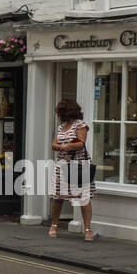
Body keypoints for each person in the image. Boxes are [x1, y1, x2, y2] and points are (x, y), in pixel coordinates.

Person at [48, 98, 97, 241]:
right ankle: (54, 225)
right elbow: (54, 144)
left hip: (78, 165)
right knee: (58, 196)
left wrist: (67, 146)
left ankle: (88, 230)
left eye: (61, 111)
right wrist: (59, 147)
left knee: (83, 197)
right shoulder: (61, 127)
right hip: (62, 165)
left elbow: (81, 143)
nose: (59, 114)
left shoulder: (80, 125)